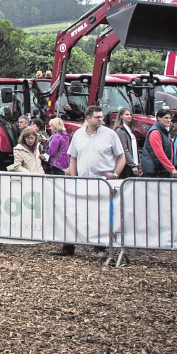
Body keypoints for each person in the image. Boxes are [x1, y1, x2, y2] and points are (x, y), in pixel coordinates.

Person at [62, 104, 126, 256]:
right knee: (75, 214)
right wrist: (74, 176)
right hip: (83, 182)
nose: (101, 120)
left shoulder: (110, 134)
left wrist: (115, 174)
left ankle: (100, 247)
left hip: (102, 183)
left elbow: (121, 156)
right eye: (97, 117)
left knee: (101, 215)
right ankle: (68, 246)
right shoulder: (78, 134)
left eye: (102, 117)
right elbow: (73, 157)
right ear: (88, 118)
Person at [140, 109, 177, 178]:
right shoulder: (155, 132)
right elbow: (159, 153)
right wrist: (171, 168)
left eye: (170, 118)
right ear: (159, 118)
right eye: (166, 118)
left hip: (160, 169)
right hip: (154, 170)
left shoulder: (164, 131)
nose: (169, 120)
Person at [112, 108, 142, 179]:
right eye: (127, 114)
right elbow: (124, 149)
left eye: (130, 115)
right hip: (126, 167)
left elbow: (136, 149)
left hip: (135, 165)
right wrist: (132, 165)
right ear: (121, 116)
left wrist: (139, 165)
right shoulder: (120, 131)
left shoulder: (132, 131)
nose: (129, 116)